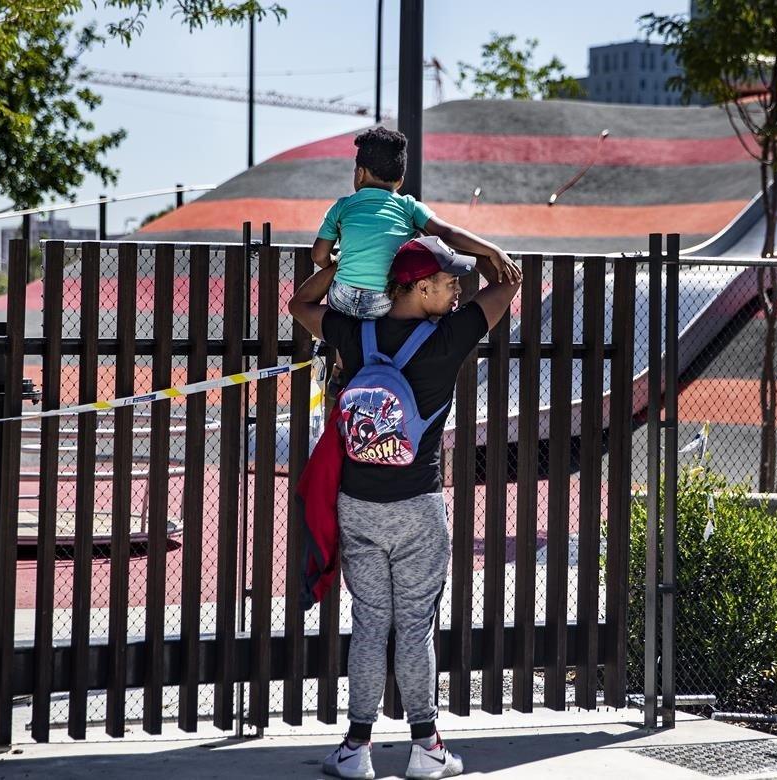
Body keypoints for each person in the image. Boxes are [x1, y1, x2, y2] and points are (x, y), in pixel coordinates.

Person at [289, 235, 521, 780]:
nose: (459, 290)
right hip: (418, 505)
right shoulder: (449, 338)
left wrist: (339, 265)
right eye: (447, 282)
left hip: (359, 505)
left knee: (370, 626)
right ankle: (427, 748)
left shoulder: (354, 330)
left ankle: (355, 749)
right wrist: (482, 249)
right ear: (419, 287)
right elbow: (508, 285)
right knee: (415, 628)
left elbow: (300, 306)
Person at [312, 126, 516, 319]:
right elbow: (447, 233)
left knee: (344, 335)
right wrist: (492, 250)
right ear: (400, 181)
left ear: (360, 173)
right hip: (384, 301)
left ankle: (342, 357)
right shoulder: (409, 206)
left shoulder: (342, 206)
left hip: (343, 297)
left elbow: (319, 256)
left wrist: (335, 262)